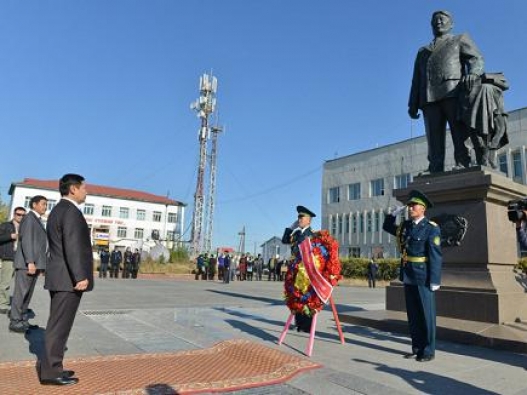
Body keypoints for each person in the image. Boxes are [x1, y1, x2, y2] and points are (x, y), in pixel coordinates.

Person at [408, 10, 484, 173]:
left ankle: (463, 161)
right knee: (433, 136)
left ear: (451, 24)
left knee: (459, 130)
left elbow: (476, 58)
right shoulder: (422, 51)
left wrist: (473, 73)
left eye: (442, 19)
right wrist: (412, 103)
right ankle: (435, 166)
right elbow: (416, 79)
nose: (439, 22)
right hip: (428, 96)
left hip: (452, 91)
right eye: (435, 20)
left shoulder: (459, 39)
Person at [39, 174, 94, 386]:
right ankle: (51, 373)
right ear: (73, 189)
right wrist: (80, 276)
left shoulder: (60, 210)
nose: (86, 191)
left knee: (59, 324)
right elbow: (72, 246)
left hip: (61, 276)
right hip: (67, 279)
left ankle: (55, 367)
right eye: (84, 187)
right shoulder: (70, 212)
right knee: (58, 326)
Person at [382, 190, 442, 362]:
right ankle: (417, 348)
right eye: (409, 206)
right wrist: (392, 215)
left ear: (423, 208)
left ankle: (429, 350)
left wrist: (435, 280)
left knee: (426, 315)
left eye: (413, 206)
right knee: (414, 314)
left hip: (423, 277)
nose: (410, 208)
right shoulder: (406, 226)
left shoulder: (431, 228)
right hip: (408, 275)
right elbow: (387, 227)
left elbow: (436, 256)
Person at [9, 196, 48, 333]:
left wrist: (41, 265)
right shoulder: (29, 218)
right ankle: (15, 321)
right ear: (34, 204)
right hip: (27, 264)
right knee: (21, 294)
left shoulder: (37, 220)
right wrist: (30, 261)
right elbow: (26, 241)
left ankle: (23, 320)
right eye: (43, 204)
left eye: (46, 204)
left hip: (34, 264)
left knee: (27, 294)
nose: (45, 206)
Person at [281, 205, 316, 332]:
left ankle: (307, 326)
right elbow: (285, 240)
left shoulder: (312, 235)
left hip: (306, 273)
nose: (299, 219)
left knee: (306, 298)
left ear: (309, 220)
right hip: (295, 271)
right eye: (298, 217)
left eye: (302, 217)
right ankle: (299, 324)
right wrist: (291, 227)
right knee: (296, 297)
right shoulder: (296, 233)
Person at [0, 207, 26, 315]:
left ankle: (17, 306)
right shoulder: (6, 225)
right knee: (5, 283)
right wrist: (10, 236)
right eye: (18, 214)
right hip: (9, 257)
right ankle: (2, 304)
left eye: (23, 215)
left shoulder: (26, 227)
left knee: (21, 285)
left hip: (22, 258)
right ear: (14, 214)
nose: (21, 217)